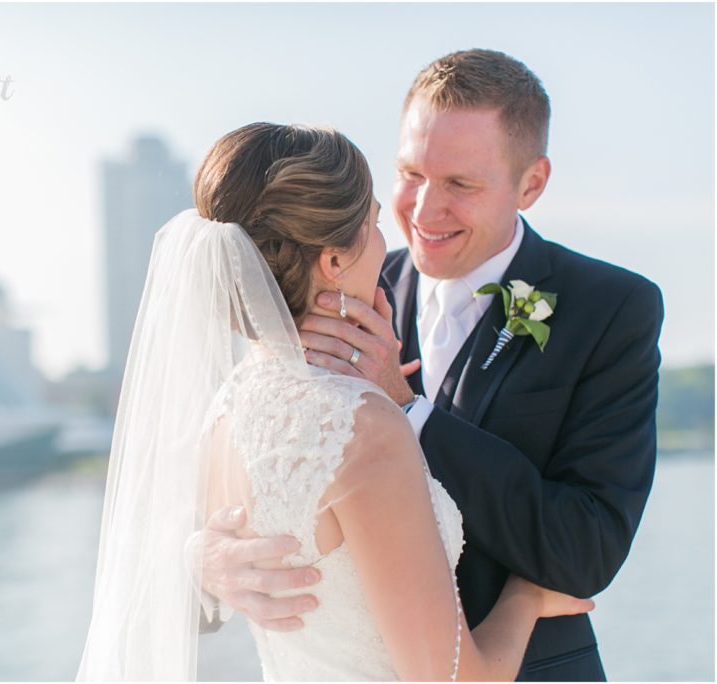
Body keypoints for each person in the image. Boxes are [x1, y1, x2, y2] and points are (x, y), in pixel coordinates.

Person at [198, 50, 664, 681]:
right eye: (410, 173)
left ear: (531, 184)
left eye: (459, 185)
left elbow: (588, 548)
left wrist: (408, 410)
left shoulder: (611, 308)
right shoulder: (329, 279)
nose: (420, 211)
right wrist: (203, 562)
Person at [77, 122, 594, 681]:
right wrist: (525, 598)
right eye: (374, 223)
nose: (387, 244)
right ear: (332, 262)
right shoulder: (361, 426)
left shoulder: (225, 409)